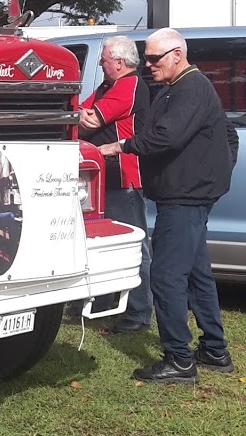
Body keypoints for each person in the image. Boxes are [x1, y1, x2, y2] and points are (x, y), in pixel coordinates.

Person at [99, 28, 237, 385]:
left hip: (185, 197)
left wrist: (120, 147)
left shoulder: (191, 87)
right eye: (145, 58)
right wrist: (213, 176)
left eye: (154, 58)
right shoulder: (178, 88)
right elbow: (227, 135)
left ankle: (179, 358)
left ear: (177, 54)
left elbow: (167, 135)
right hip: (188, 194)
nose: (147, 64)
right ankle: (214, 350)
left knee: (166, 276)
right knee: (196, 274)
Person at [78, 35, 153, 332]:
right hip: (99, 178)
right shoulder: (108, 86)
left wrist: (81, 114)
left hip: (123, 178)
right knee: (101, 243)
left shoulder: (130, 84)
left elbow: (91, 119)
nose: (100, 63)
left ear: (120, 63)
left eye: (104, 59)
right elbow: (77, 110)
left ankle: (139, 312)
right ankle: (102, 304)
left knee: (135, 245)